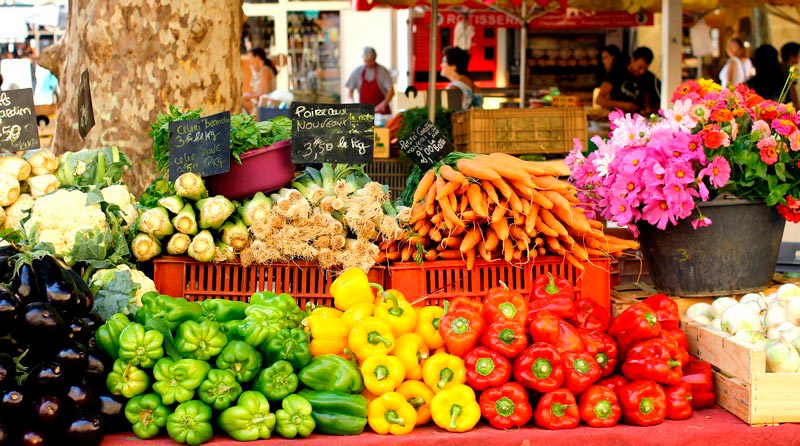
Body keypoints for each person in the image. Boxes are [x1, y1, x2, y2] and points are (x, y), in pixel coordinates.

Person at [596, 47, 660, 114]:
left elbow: (657, 101)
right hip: (617, 118)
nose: (642, 72)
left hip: (639, 120)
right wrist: (624, 105)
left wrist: (649, 110)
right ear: (632, 60)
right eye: (640, 67)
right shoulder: (617, 72)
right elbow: (599, 100)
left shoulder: (649, 77)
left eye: (645, 68)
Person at [345, 47, 394, 114]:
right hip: (363, 112)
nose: (369, 63)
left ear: (375, 58)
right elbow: (350, 91)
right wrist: (352, 103)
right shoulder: (358, 72)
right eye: (366, 61)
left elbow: (391, 91)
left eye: (371, 61)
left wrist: (383, 104)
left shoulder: (383, 72)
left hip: (382, 112)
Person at [440, 46, 482, 110]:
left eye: (443, 61)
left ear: (453, 66)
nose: (441, 64)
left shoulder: (454, 88)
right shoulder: (471, 85)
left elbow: (449, 112)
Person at [243, 48, 277, 114]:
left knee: (242, 100)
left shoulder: (265, 71)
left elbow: (265, 92)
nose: (250, 62)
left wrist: (248, 96)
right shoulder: (261, 71)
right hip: (261, 103)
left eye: (251, 59)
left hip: (267, 105)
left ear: (257, 58)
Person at [780, 42, 800, 107]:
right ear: (792, 56)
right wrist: (796, 105)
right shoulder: (790, 69)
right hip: (788, 105)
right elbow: (792, 89)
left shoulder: (781, 66)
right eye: (798, 54)